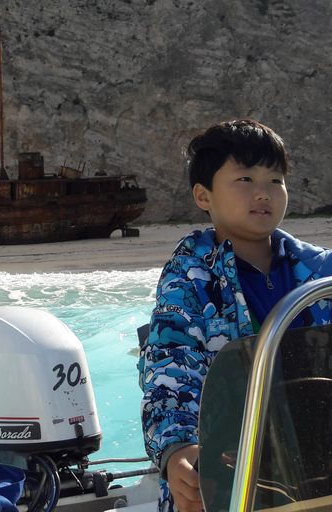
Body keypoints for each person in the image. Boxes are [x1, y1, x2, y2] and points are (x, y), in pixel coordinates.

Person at [138, 119, 332, 512]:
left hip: (318, 464)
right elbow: (170, 370)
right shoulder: (190, 274)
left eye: (275, 180)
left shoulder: (321, 269)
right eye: (245, 179)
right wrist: (177, 451)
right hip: (232, 471)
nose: (264, 193)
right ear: (203, 196)